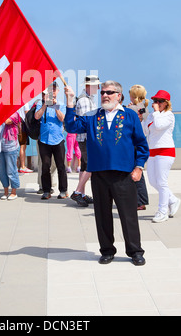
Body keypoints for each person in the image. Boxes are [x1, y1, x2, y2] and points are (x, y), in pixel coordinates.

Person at [65, 80, 149, 266]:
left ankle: (135, 251)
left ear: (118, 95)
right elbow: (71, 127)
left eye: (110, 92)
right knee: (102, 215)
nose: (105, 95)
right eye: (103, 92)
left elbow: (141, 144)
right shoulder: (92, 116)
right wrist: (70, 101)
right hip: (99, 174)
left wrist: (139, 167)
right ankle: (107, 251)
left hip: (124, 174)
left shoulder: (130, 115)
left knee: (128, 215)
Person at [141, 90, 181, 223]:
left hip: (165, 151)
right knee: (153, 181)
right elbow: (146, 131)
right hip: (152, 151)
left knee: (162, 182)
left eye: (159, 101)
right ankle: (173, 200)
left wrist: (156, 113)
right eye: (155, 101)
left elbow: (158, 126)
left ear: (166, 103)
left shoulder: (169, 115)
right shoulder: (153, 115)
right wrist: (143, 120)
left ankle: (162, 211)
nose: (156, 103)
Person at [35, 81, 68, 200]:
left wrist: (54, 106)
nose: (52, 92)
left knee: (61, 166)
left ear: (57, 91)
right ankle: (46, 190)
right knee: (45, 166)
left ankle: (63, 190)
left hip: (58, 139)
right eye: (50, 90)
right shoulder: (40, 103)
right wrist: (45, 104)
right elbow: (37, 116)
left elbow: (63, 118)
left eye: (54, 90)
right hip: (44, 140)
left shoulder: (61, 104)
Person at [70, 75, 99, 207]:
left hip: (83, 137)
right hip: (88, 137)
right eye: (96, 86)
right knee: (91, 165)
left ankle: (81, 193)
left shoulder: (86, 99)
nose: (98, 88)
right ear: (89, 86)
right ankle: (77, 191)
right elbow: (89, 121)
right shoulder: (85, 101)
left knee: (86, 166)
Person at [128, 84, 150, 210]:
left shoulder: (132, 109)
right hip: (142, 143)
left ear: (133, 95)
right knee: (139, 171)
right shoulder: (145, 109)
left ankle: (139, 201)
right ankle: (140, 200)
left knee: (135, 173)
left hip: (134, 144)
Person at [0, 111, 21, 200]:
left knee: (11, 170)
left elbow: (7, 121)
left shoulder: (14, 113)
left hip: (10, 145)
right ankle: (5, 191)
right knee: (2, 171)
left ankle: (14, 192)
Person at [17, 103, 33, 174]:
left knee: (15, 146)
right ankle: (22, 166)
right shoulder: (24, 102)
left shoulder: (13, 101)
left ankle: (17, 166)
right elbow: (27, 113)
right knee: (23, 145)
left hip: (14, 124)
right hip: (22, 124)